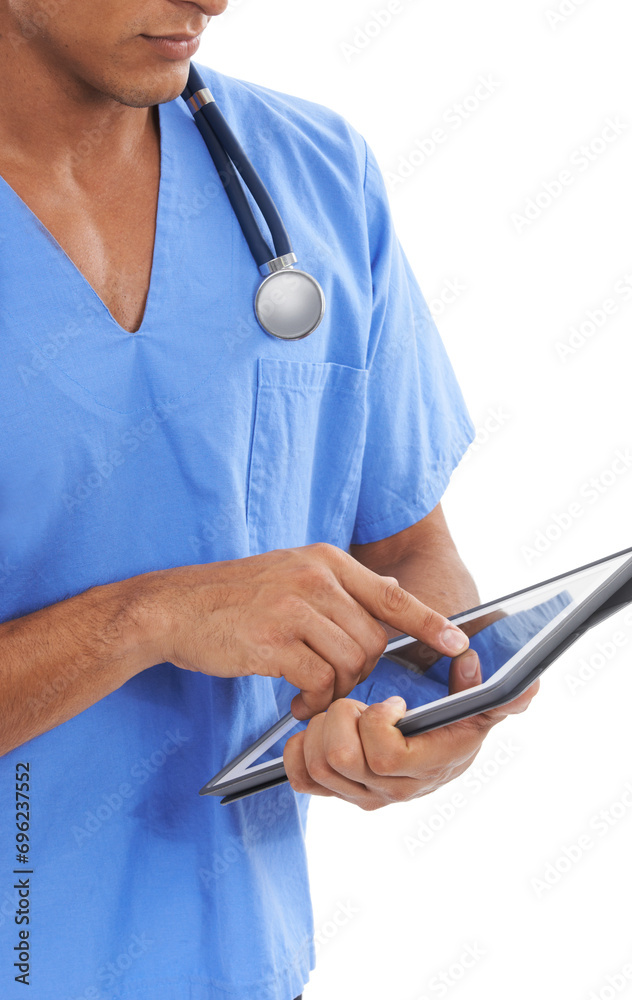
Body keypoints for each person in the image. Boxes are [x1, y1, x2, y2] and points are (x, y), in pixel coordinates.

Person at [0, 3, 543, 998]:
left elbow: (407, 552)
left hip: (233, 965)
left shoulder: (314, 176)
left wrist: (420, 709)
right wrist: (149, 619)